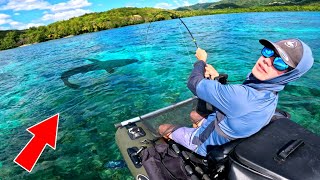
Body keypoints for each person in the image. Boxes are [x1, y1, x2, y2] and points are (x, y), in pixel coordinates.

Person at [159, 38, 314, 157]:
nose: (267, 61)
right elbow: (239, 97)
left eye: (280, 63)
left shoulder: (242, 98)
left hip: (205, 145)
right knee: (194, 115)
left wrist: (201, 60)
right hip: (226, 130)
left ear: (290, 75)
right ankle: (193, 132)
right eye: (268, 51)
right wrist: (216, 78)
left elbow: (194, 83)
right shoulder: (270, 93)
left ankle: (177, 146)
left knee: (163, 128)